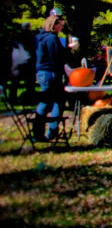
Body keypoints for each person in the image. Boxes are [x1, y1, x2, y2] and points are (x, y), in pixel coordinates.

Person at [33, 14, 74, 142]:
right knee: (48, 101)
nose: (61, 27)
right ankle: (42, 133)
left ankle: (49, 131)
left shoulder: (41, 37)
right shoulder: (51, 39)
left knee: (57, 101)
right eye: (59, 25)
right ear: (53, 24)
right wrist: (69, 49)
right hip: (50, 72)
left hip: (44, 72)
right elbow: (57, 57)